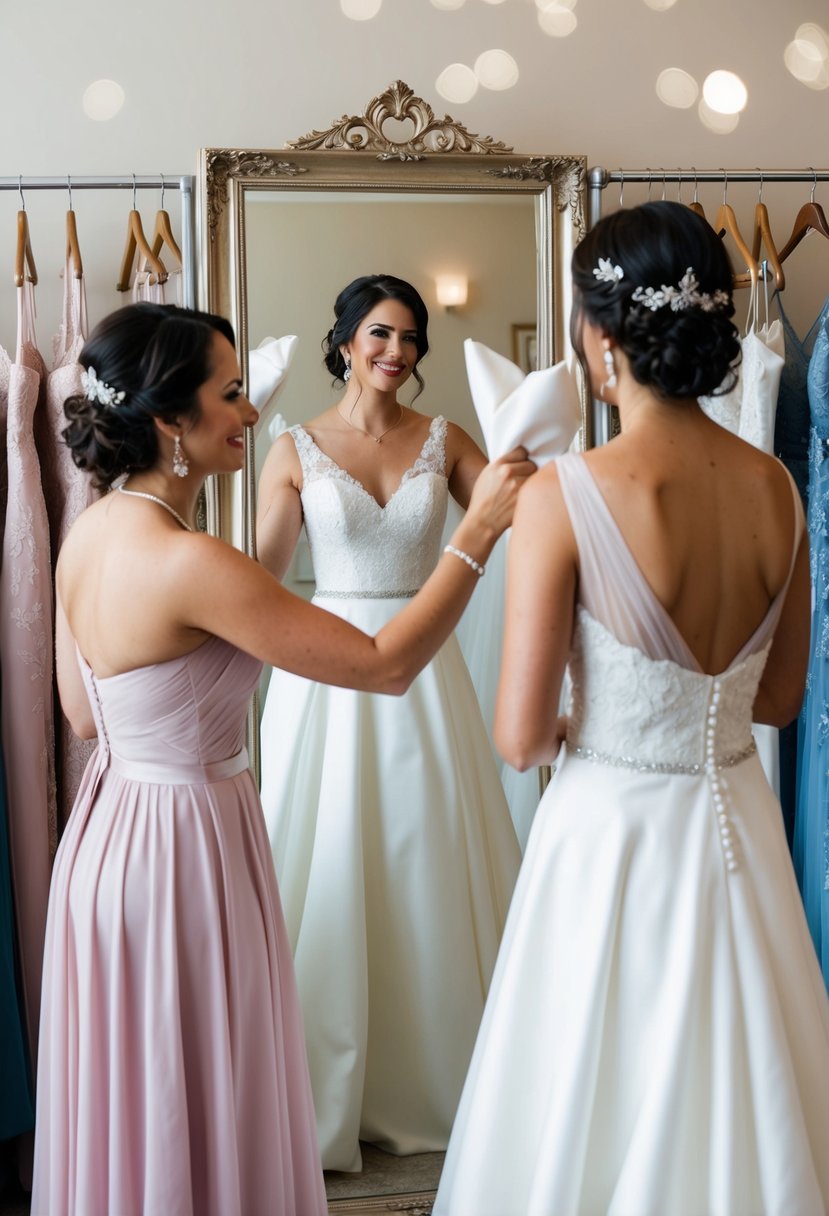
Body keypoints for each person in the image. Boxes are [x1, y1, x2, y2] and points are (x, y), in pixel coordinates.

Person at [31, 301, 532, 1216]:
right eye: (230, 394)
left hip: (103, 850)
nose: (254, 411)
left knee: (138, 1104)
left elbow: (84, 719)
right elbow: (384, 667)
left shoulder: (88, 539)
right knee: (196, 1096)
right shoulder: (192, 563)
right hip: (186, 853)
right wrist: (475, 534)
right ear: (171, 422)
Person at [433, 201, 829, 1216]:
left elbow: (519, 738)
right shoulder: (777, 491)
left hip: (607, 841)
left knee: (582, 1101)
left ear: (599, 339)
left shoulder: (564, 493)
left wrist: (594, 718)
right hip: (737, 825)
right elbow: (779, 698)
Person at [255, 274, 523, 1172]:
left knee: (424, 863)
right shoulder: (292, 448)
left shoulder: (446, 439)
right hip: (322, 674)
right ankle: (317, 1093)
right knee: (325, 858)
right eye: (378, 333)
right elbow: (259, 578)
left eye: (409, 339)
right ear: (342, 341)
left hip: (424, 671)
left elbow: (517, 515)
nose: (395, 353)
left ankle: (436, 1079)